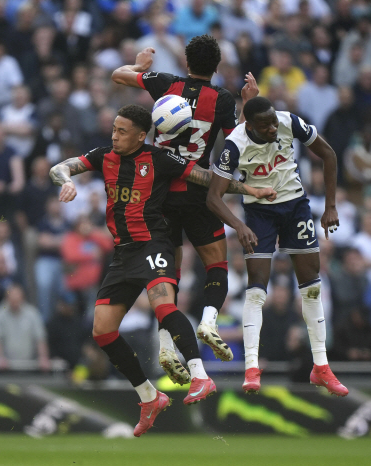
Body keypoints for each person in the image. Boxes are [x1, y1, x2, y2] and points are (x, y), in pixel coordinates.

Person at [49, 104, 274, 436]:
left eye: (122, 131)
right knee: (102, 330)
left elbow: (207, 179)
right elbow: (60, 167)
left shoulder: (159, 159)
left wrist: (250, 190)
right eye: (113, 128)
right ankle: (149, 397)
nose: (114, 135)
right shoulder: (103, 157)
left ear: (142, 136)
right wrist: (66, 181)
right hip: (123, 254)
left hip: (155, 245)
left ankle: (200, 376)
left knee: (165, 307)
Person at [111, 37, 258, 376]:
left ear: (187, 62)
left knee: (168, 273)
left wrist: (139, 65)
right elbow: (237, 140)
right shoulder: (221, 99)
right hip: (197, 191)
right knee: (216, 262)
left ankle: (165, 345)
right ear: (217, 67)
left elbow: (118, 75)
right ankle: (209, 321)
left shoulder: (167, 84)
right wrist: (247, 105)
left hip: (158, 194)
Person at [207, 96, 348, 397]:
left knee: (311, 287)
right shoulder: (235, 144)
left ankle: (321, 367)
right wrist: (240, 226)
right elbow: (213, 197)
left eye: (273, 121)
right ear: (250, 125)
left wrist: (331, 206)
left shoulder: (288, 121)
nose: (273, 128)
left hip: (296, 206)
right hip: (260, 213)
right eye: (265, 125)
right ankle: (252, 367)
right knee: (257, 290)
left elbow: (329, 154)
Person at [0, 284, 50, 370]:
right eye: (12, 300)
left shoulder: (32, 313)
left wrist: (43, 357)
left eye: (17, 300)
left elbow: (40, 338)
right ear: (7, 299)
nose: (15, 303)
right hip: (6, 366)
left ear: (23, 298)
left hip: (30, 365)